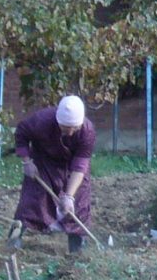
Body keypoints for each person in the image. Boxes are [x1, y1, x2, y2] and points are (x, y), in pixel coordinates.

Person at [8, 95, 95, 253]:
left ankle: (78, 249)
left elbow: (80, 166)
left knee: (79, 202)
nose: (69, 133)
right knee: (32, 199)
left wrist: (69, 197)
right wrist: (27, 161)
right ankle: (14, 240)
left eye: (73, 128)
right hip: (43, 160)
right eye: (64, 128)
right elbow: (21, 133)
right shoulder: (41, 121)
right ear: (57, 121)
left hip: (71, 165)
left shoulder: (87, 131)